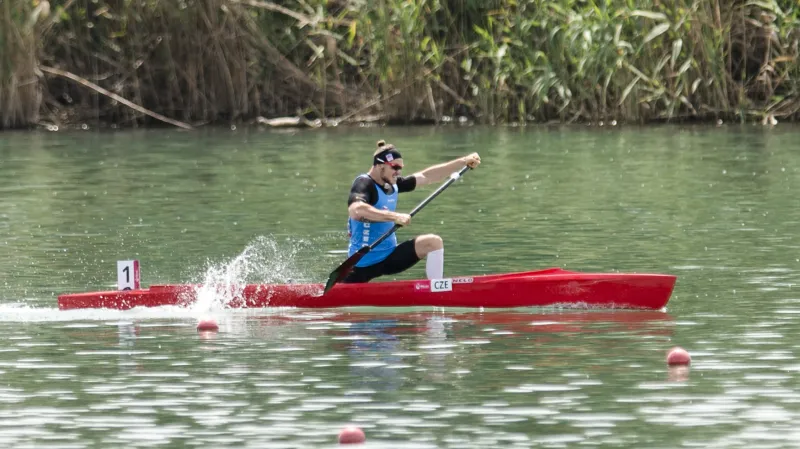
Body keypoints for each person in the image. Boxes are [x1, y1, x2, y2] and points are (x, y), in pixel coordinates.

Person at [344, 140, 481, 283]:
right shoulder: (364, 184)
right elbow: (356, 210)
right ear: (380, 165)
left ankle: (437, 290)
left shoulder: (393, 183)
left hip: (389, 257)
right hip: (362, 264)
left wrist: (463, 161)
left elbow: (427, 176)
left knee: (433, 242)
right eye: (395, 167)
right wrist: (395, 216)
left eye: (400, 168)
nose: (398, 172)